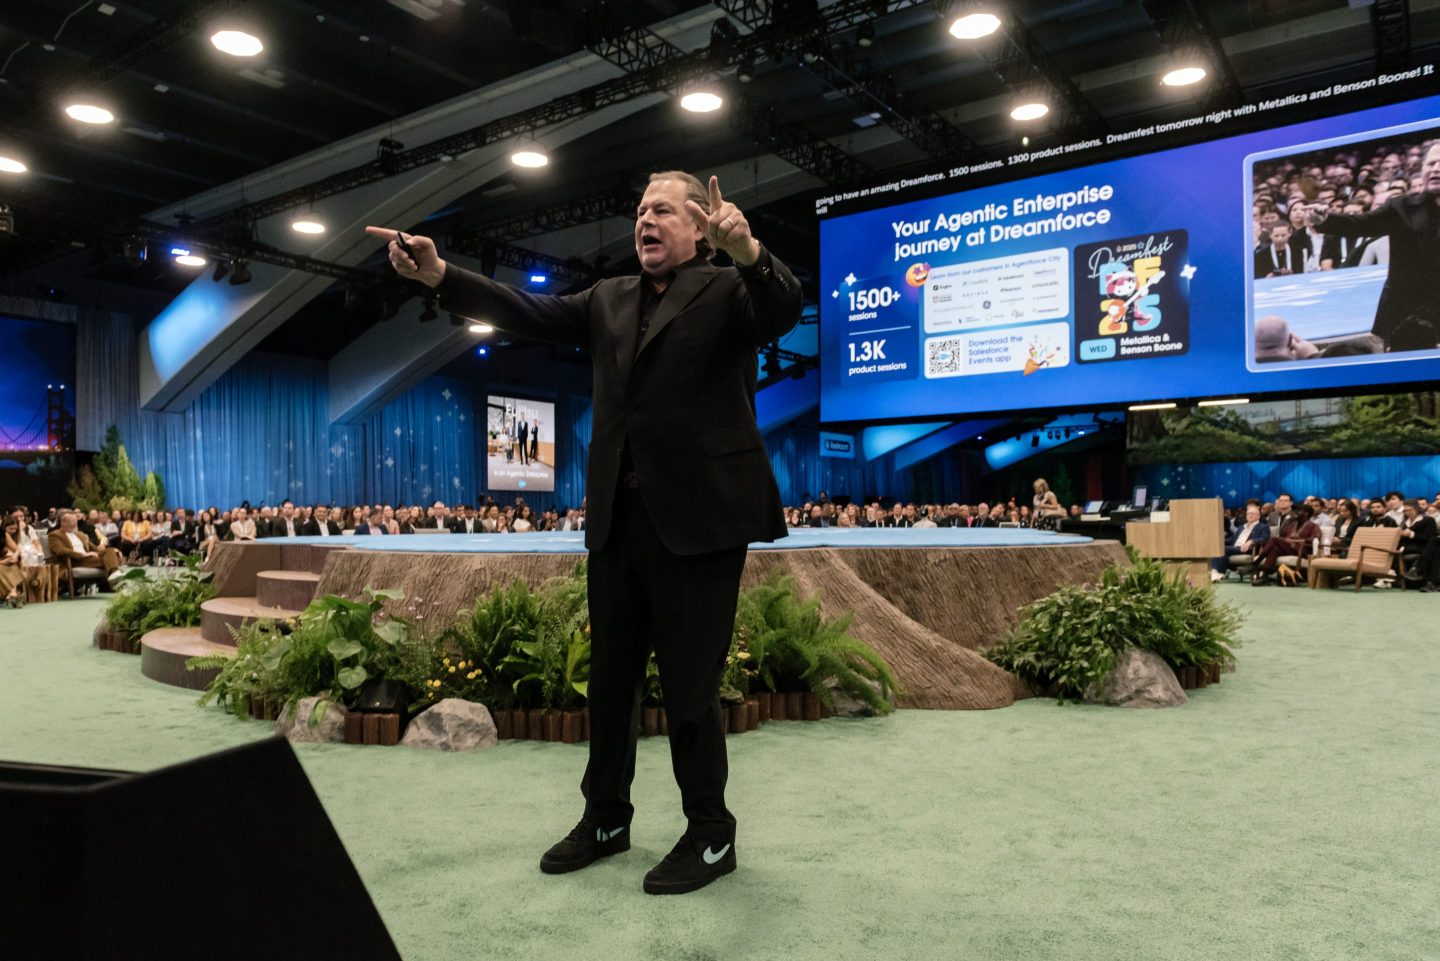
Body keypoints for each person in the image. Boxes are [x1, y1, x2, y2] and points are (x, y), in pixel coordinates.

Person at [367, 168, 802, 896]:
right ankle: (605, 818)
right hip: (618, 522)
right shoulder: (608, 297)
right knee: (610, 683)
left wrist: (750, 253)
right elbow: (524, 309)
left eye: (662, 210)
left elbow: (783, 308)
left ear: (700, 226)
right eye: (640, 210)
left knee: (691, 690)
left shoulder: (730, 289)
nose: (645, 221)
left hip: (701, 524)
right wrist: (441, 275)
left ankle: (711, 832)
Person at [1307, 143, 1440, 351]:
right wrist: (1325, 220)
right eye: (1431, 164)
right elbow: (1361, 224)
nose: (1436, 169)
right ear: (1423, 170)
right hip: (1404, 314)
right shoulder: (1400, 207)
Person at [48, 511, 122, 588]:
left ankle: (114, 574)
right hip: (74, 560)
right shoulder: (55, 535)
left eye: (76, 520)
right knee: (111, 560)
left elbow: (95, 549)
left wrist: (114, 551)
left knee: (110, 551)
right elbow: (60, 550)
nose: (75, 523)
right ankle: (114, 577)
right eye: (72, 521)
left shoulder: (80, 534)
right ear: (63, 523)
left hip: (89, 559)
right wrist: (83, 554)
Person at [1210, 504, 1270, 581]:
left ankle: (1219, 572)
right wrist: (1218, 541)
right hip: (1234, 548)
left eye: (1253, 513)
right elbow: (1232, 540)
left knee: (1224, 549)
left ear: (1258, 516)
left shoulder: (1263, 527)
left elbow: (1265, 538)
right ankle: (1215, 571)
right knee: (1217, 547)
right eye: (1249, 513)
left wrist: (1251, 541)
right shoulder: (1242, 527)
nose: (1250, 515)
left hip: (1247, 549)